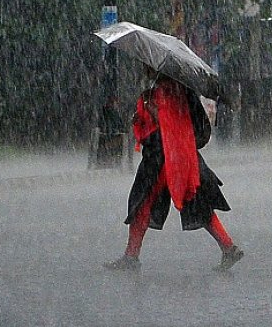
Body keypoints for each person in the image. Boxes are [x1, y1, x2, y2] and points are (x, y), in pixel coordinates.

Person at [104, 68, 244, 272]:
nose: (145, 69)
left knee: (142, 203)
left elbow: (156, 129)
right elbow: (194, 126)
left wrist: (148, 111)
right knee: (198, 204)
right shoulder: (184, 92)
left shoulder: (160, 94)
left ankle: (131, 256)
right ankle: (228, 246)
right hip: (185, 157)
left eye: (148, 67)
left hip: (162, 159)